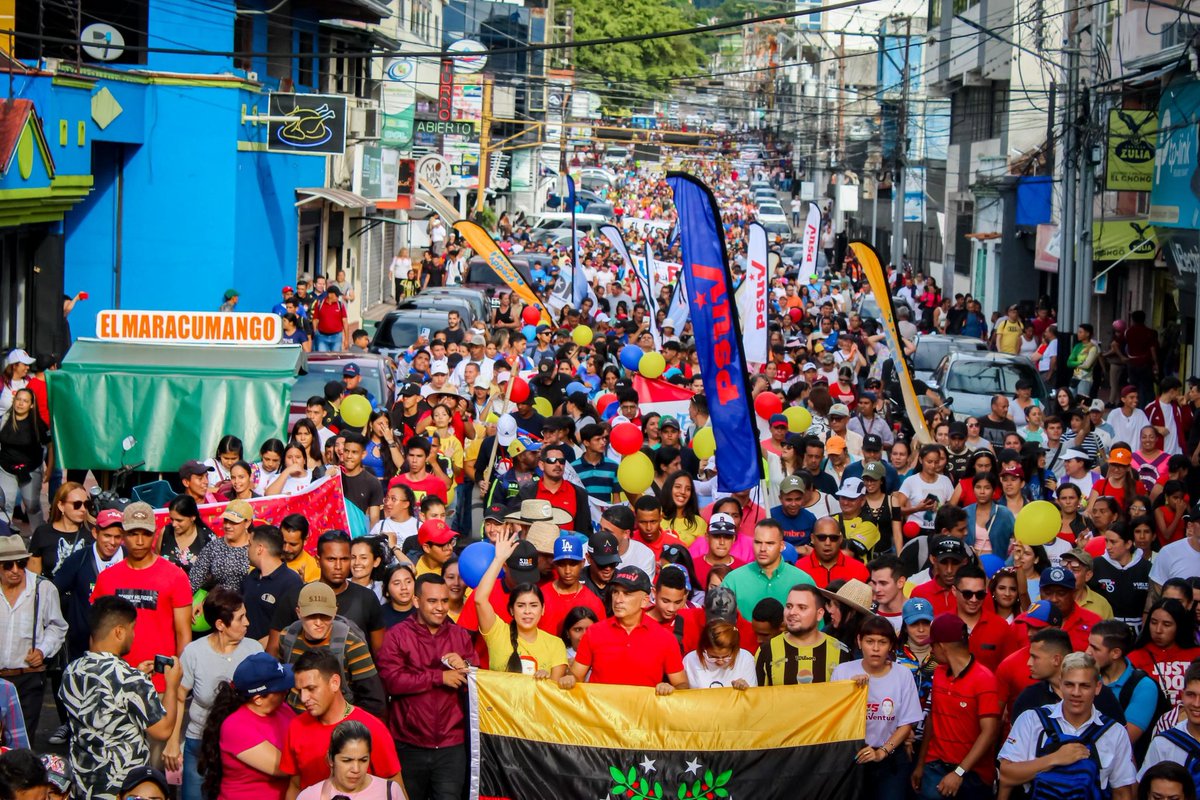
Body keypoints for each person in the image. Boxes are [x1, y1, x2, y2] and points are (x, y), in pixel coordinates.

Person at [59, 596, 183, 800]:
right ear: (119, 631)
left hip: (81, 784)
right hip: (122, 788)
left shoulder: (72, 671)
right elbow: (162, 730)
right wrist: (171, 686)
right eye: (132, 629)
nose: (134, 636)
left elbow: (103, 703)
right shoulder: (130, 679)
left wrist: (138, 678)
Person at [376, 574, 476, 800]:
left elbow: (478, 683)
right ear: (416, 601)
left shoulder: (460, 635)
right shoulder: (397, 636)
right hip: (409, 744)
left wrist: (467, 666)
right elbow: (392, 681)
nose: (440, 607)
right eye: (432, 601)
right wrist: (439, 677)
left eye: (444, 601)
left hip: (452, 745)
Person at [999, 652, 1138, 800]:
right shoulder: (1031, 719)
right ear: (1060, 683)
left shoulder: (1114, 732)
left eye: (1084, 686)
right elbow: (1006, 775)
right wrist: (1055, 758)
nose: (1076, 693)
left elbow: (1122, 792)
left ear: (1097, 688)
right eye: (1069, 684)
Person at [167, 588, 263, 800]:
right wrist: (173, 741)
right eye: (240, 618)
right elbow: (179, 695)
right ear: (221, 625)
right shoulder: (194, 652)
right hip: (199, 744)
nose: (247, 623)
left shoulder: (254, 651)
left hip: (242, 747)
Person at [90, 503, 192, 693]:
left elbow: (183, 633)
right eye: (132, 533)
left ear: (154, 534)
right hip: (114, 682)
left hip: (161, 683)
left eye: (145, 534)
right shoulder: (106, 578)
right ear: (123, 535)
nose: (139, 541)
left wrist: (178, 681)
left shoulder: (175, 576)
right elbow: (97, 633)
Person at [279, 649, 401, 800]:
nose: (303, 698)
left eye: (311, 689)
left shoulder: (372, 727)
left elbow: (393, 787)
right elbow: (295, 785)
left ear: (334, 683)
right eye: (299, 691)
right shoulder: (296, 726)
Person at [832, 616, 923, 800]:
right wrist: (850, 689)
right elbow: (834, 718)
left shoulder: (902, 674)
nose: (875, 648)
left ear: (891, 645)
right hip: (852, 757)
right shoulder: (843, 671)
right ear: (859, 641)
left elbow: (907, 723)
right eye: (869, 641)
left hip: (891, 758)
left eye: (882, 642)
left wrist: (882, 752)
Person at [911, 613, 1000, 800]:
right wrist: (921, 764)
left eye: (933, 645)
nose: (931, 650)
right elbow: (933, 720)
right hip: (935, 766)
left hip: (972, 774)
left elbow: (990, 731)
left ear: (942, 646)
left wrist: (959, 772)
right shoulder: (940, 674)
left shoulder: (984, 679)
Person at [275, 583, 385, 719]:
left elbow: (373, 701)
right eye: (311, 616)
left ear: (335, 612)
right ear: (298, 612)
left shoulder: (351, 645)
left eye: (325, 615)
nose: (318, 622)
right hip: (295, 723)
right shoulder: (288, 637)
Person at [569, 566, 687, 693]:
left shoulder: (665, 639)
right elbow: (577, 675)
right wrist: (570, 678)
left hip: (644, 712)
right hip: (600, 711)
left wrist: (671, 688)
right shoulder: (594, 632)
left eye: (627, 594)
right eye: (615, 592)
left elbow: (681, 684)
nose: (618, 600)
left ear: (644, 601)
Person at [197, 652, 296, 800]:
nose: (286, 691)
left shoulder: (283, 709)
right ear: (258, 699)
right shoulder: (236, 726)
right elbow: (284, 767)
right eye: (280, 689)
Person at [0, 533, 67, 741]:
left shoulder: (43, 588)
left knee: (21, 743)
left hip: (28, 677)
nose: (16, 570)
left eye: (21, 563)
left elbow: (57, 626)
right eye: (8, 565)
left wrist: (42, 650)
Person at [474, 533, 569, 677]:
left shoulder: (555, 645)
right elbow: (480, 599)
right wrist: (499, 559)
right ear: (511, 610)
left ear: (543, 609)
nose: (527, 611)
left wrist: (548, 680)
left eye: (533, 605)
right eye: (521, 605)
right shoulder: (497, 633)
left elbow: (555, 695)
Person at [1087, 620, 1166, 751]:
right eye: (1089, 645)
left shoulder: (1144, 687)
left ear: (1115, 653)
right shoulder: (1087, 677)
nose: (1087, 652)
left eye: (1095, 648)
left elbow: (1124, 740)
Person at [756, 584, 850, 686]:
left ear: (819, 614)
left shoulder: (841, 652)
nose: (792, 612)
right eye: (789, 606)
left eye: (802, 607)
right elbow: (756, 697)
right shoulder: (766, 650)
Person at [721, 520, 815, 620]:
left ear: (782, 546)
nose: (762, 548)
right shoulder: (733, 580)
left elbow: (815, 627)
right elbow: (721, 623)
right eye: (758, 542)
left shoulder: (803, 581)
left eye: (770, 543)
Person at [1130, 599, 1200, 710]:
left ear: (1179, 626)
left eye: (1167, 624)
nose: (1158, 630)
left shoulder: (1197, 655)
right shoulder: (1134, 657)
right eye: (1153, 622)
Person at [1139, 662, 1200, 784]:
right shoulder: (1163, 743)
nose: (1196, 704)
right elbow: (1147, 788)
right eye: (1191, 695)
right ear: (1182, 695)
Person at [242, 525, 304, 644]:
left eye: (249, 544)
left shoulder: (291, 582)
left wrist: (257, 648)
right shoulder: (251, 576)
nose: (247, 549)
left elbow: (292, 628)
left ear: (259, 549)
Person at [538, 534, 605, 638]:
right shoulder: (540, 596)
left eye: (573, 564)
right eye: (562, 564)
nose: (567, 571)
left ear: (582, 563)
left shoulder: (593, 602)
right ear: (554, 564)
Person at [189, 499, 254, 594]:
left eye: (233, 522)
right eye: (226, 520)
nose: (227, 525)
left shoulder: (256, 547)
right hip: (217, 604)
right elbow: (195, 579)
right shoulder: (214, 546)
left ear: (247, 523)